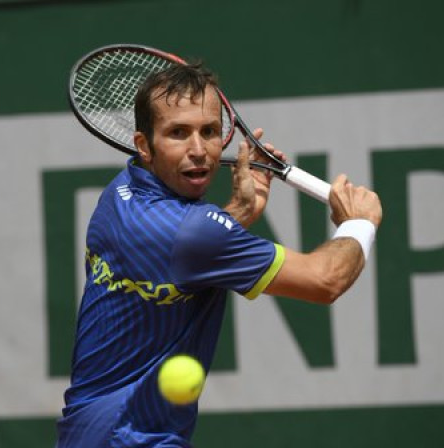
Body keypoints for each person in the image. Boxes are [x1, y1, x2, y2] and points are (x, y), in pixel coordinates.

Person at [56, 62, 382, 447]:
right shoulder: (193, 232)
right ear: (144, 145)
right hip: (132, 438)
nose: (198, 150)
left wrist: (240, 213)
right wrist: (359, 223)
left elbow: (181, 255)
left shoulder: (120, 193)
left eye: (209, 131)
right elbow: (325, 281)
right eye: (178, 133)